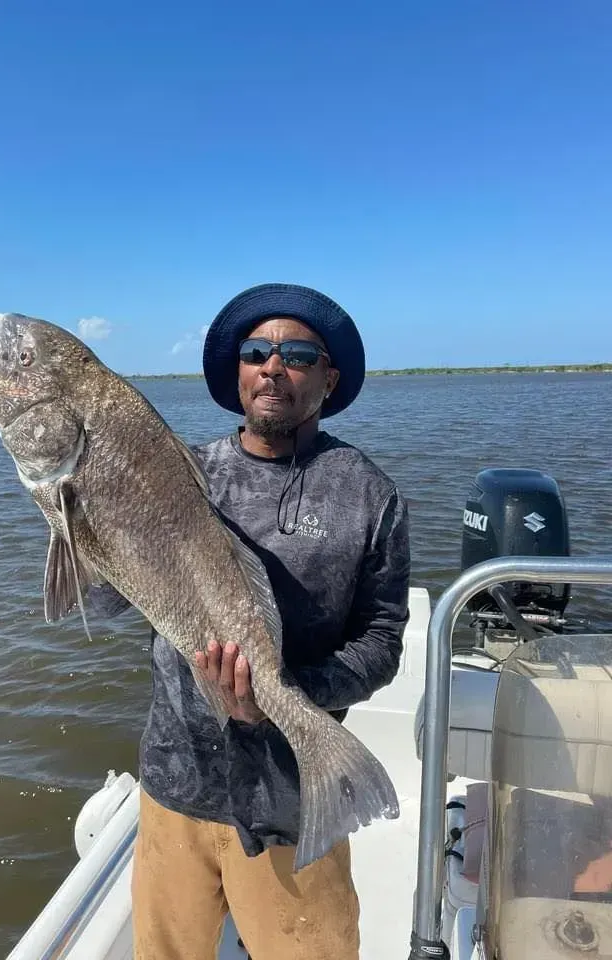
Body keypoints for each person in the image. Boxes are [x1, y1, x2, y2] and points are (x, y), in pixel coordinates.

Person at [131, 282, 411, 960]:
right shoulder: (183, 475)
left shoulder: (367, 493)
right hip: (175, 785)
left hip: (293, 803)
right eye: (257, 351)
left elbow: (381, 642)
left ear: (329, 376)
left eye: (298, 355)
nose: (272, 367)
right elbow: (118, 596)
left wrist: (281, 700)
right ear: (237, 370)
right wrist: (79, 519)